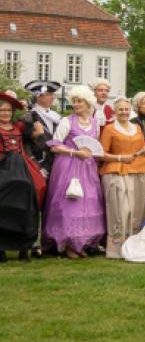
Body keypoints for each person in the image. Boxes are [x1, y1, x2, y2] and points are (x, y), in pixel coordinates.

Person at [42, 85, 105, 258]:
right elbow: (54, 146)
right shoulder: (67, 121)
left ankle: (81, 242)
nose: (76, 105)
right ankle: (68, 243)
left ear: (88, 103)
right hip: (68, 165)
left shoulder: (95, 123)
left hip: (87, 167)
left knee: (88, 204)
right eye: (74, 101)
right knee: (70, 204)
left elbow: (96, 146)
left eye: (80, 101)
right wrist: (75, 152)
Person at [97, 97, 145, 258]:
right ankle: (118, 246)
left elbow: (138, 149)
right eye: (121, 110)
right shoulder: (110, 129)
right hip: (118, 167)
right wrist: (120, 158)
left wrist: (144, 150)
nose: (124, 112)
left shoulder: (136, 128)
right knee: (122, 207)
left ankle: (140, 241)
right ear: (115, 112)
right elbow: (101, 154)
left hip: (139, 166)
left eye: (126, 109)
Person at [0, 91, 45, 262]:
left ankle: (24, 248)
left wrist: (28, 108)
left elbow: (33, 125)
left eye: (8, 110)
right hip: (3, 167)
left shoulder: (18, 127)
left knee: (32, 195)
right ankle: (2, 248)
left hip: (21, 167)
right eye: (2, 110)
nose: (5, 113)